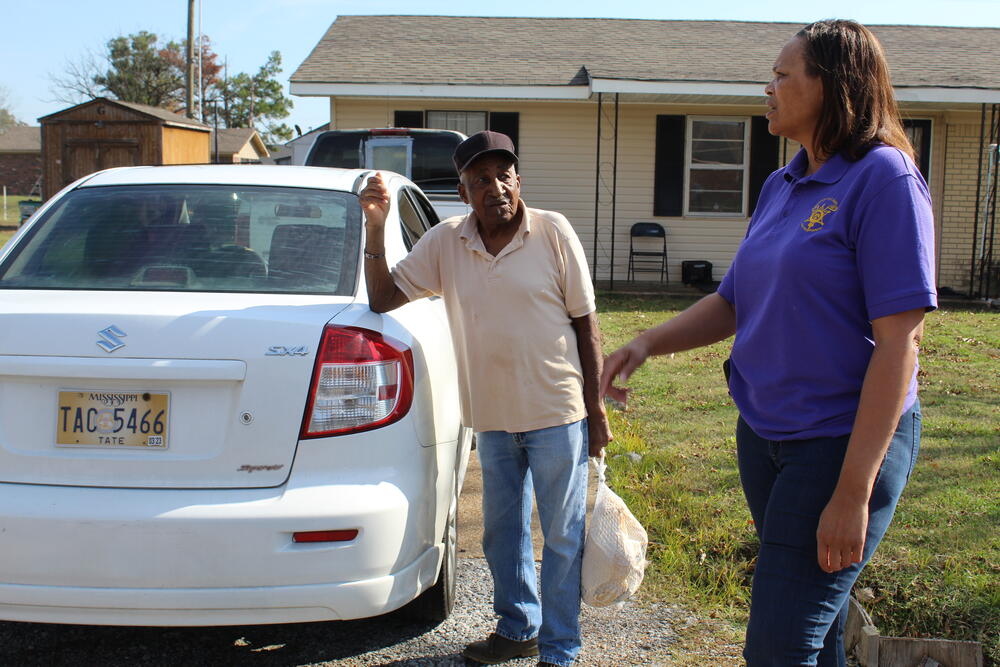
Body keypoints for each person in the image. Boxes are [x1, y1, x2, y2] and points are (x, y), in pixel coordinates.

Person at [601, 19, 936, 667]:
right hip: (764, 436)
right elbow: (732, 300)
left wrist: (853, 491)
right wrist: (645, 342)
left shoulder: (883, 180)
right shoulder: (782, 185)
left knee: (779, 647)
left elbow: (900, 345)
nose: (769, 87)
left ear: (833, 85)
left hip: (840, 444)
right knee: (817, 625)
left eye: (784, 75)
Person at [360, 130, 611, 667]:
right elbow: (382, 298)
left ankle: (561, 649)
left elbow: (587, 326)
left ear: (518, 179)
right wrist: (376, 229)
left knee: (563, 537)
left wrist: (597, 410)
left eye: (504, 175)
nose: (495, 187)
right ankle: (519, 627)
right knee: (501, 534)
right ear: (463, 190)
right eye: (480, 180)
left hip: (556, 414)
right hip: (493, 421)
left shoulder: (553, 233)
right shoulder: (446, 242)